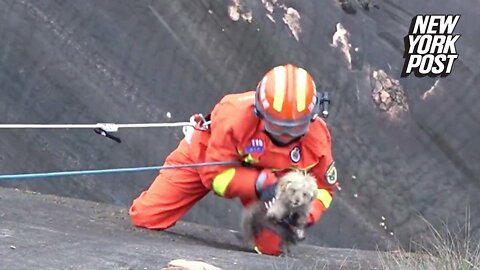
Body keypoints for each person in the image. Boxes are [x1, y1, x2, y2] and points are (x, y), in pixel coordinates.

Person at [129, 64, 338, 256]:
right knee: (145, 217)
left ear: (312, 118)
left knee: (272, 249)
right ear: (259, 112)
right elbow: (215, 177)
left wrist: (305, 215)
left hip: (272, 181)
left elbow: (324, 189)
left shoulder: (317, 138)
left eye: (295, 128)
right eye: (277, 126)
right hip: (208, 157)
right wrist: (261, 184)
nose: (285, 135)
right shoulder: (234, 117)